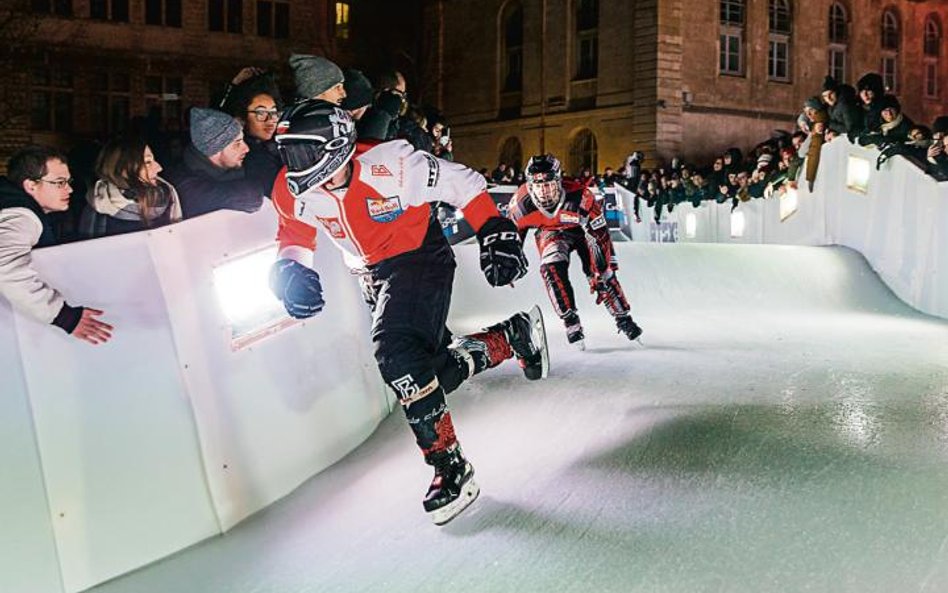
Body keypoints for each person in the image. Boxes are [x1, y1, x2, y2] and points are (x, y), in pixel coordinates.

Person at [268, 100, 550, 525]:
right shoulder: (289, 187)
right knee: (426, 373)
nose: (294, 165)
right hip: (370, 274)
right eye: (287, 152)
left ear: (338, 145)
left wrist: (493, 228)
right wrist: (289, 270)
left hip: (419, 257)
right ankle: (514, 336)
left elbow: (464, 185)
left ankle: (450, 469)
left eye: (303, 152)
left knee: (396, 354)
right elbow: (294, 232)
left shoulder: (393, 163)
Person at [506, 154, 642, 349]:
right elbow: (512, 237)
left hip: (584, 232)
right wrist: (510, 261)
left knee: (602, 273)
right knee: (550, 269)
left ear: (559, 182)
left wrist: (599, 270)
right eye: (539, 186)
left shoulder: (582, 197)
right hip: (550, 233)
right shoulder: (520, 204)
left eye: (549, 184)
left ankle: (623, 318)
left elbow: (600, 237)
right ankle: (570, 320)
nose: (544, 192)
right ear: (530, 185)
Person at [0, 146, 113, 344]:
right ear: (31, 186)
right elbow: (6, 269)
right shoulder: (20, 216)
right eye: (59, 183)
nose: (69, 189)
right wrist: (63, 316)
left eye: (68, 182)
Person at [164, 107, 275, 218]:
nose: (246, 148)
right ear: (214, 150)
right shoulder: (183, 182)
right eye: (237, 144)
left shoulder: (246, 162)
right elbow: (249, 195)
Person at [80, 135, 182, 238]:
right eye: (148, 162)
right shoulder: (98, 211)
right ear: (122, 168)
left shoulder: (168, 198)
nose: (159, 168)